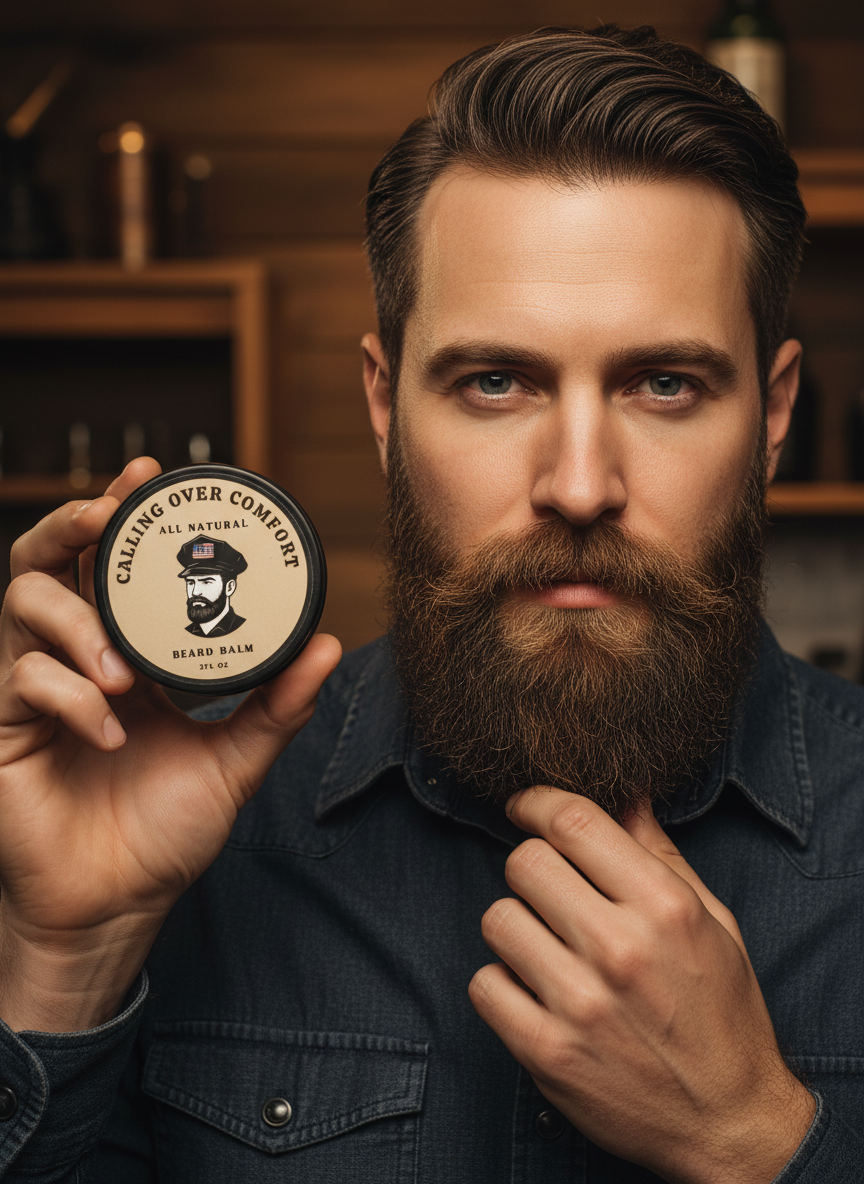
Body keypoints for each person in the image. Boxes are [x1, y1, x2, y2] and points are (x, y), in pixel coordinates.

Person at [0, 24, 860, 1183]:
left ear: (771, 416)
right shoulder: (188, 836)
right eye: (495, 381)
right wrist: (62, 958)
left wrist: (756, 1137)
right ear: (384, 403)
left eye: (666, 382)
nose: (578, 485)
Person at [178, 535, 247, 637]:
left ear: (229, 587)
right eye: (191, 582)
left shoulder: (243, 629)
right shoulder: (185, 633)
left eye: (206, 582)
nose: (195, 592)